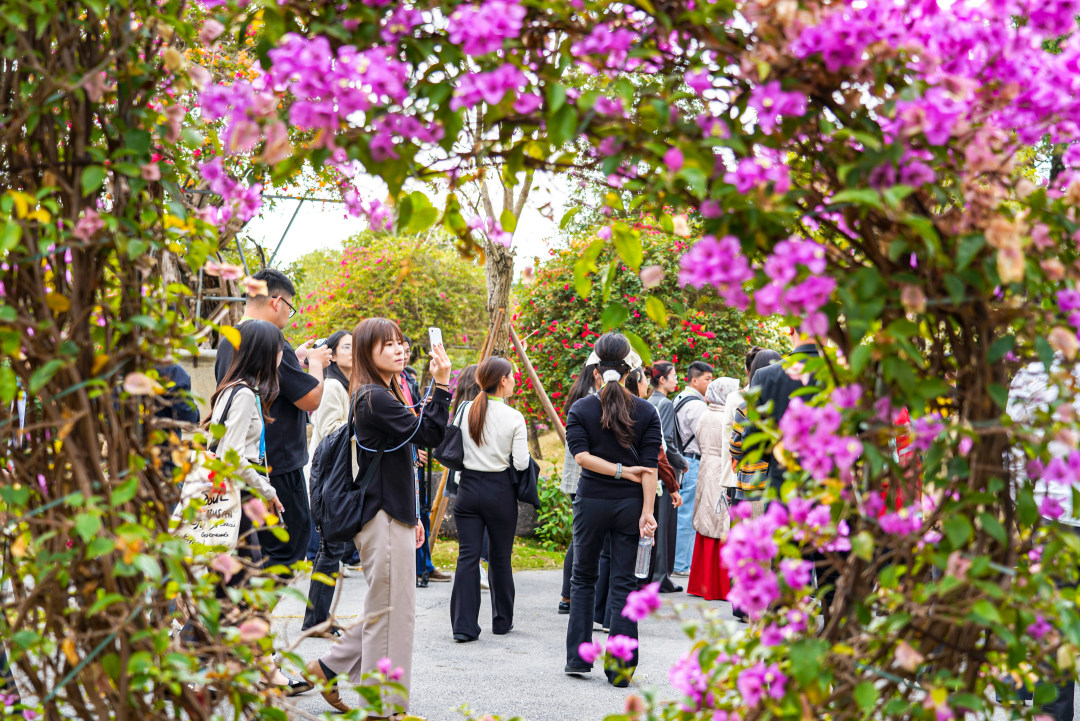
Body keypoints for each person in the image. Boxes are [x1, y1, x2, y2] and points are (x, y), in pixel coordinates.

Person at [306, 318, 452, 716]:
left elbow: (400, 459)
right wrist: (441, 385)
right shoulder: (373, 397)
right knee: (392, 615)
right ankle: (381, 708)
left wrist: (413, 514)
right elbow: (431, 434)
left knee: (387, 607)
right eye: (388, 345)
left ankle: (327, 668)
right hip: (382, 516)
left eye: (401, 343)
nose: (400, 349)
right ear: (370, 353)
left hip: (392, 513)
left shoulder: (382, 393)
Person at [202, 319, 309, 694]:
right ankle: (216, 665)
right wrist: (267, 489)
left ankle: (246, 667)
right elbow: (232, 455)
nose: (284, 355)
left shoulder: (231, 388)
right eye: (279, 348)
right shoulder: (245, 394)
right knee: (238, 587)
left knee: (233, 586)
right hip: (240, 499)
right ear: (266, 352)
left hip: (231, 497)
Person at [214, 268, 331, 573]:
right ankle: (254, 617)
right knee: (288, 546)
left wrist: (296, 357)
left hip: (251, 467)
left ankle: (242, 614)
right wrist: (316, 365)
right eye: (290, 308)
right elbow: (311, 399)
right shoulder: (271, 340)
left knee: (252, 550)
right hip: (276, 465)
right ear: (277, 302)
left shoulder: (230, 338)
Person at [564, 332, 660, 687]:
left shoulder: (581, 408)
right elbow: (649, 468)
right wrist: (648, 511)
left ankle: (577, 658)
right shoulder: (647, 411)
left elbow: (582, 457)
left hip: (590, 501)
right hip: (630, 504)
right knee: (624, 583)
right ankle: (620, 670)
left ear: (595, 372)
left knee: (583, 579)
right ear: (630, 370)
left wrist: (615, 470)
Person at [1006, 354, 1080, 721]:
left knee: (1055, 640)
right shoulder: (1033, 375)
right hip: (1058, 519)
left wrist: (1015, 519)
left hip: (1055, 521)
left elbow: (1013, 457)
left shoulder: (1032, 375)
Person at [450, 356, 530, 642]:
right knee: (499, 557)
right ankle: (501, 621)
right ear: (503, 380)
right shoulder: (514, 417)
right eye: (512, 376)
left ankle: (463, 626)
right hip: (499, 491)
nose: (514, 380)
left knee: (467, 556)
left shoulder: (465, 410)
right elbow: (521, 464)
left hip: (468, 489)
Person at [302, 331, 353, 635]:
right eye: (347, 347)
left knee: (333, 548)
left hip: (338, 476)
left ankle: (318, 619)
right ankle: (316, 620)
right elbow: (333, 430)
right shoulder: (332, 386)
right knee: (330, 549)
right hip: (329, 476)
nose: (354, 351)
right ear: (331, 354)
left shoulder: (346, 385)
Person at [686, 376, 740, 601]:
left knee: (707, 522)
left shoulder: (705, 415)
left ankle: (701, 583)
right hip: (722, 470)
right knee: (722, 523)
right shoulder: (726, 418)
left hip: (706, 468)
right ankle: (721, 587)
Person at [558, 358, 601, 614]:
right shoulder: (589, 400)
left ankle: (568, 596)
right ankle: (568, 596)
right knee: (581, 539)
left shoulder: (579, 394)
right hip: (585, 475)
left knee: (580, 537)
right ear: (597, 373)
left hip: (579, 475)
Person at [671, 360, 714, 576]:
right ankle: (680, 564)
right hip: (692, 461)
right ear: (694, 380)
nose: (710, 383)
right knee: (687, 514)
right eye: (707, 379)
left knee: (682, 512)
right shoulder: (697, 405)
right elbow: (704, 436)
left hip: (682, 459)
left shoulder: (678, 398)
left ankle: (677, 562)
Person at [647, 361, 687, 593]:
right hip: (664, 473)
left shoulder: (648, 401)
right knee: (663, 526)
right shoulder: (665, 404)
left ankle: (654, 574)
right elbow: (668, 442)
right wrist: (681, 463)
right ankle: (660, 576)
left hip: (651, 473)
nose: (676, 380)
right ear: (661, 379)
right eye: (673, 376)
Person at [727, 348, 782, 507]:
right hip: (778, 485)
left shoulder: (745, 407)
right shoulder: (786, 403)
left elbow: (736, 448)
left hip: (752, 487)